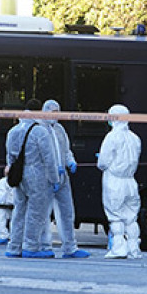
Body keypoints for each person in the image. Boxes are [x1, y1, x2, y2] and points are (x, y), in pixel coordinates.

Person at [4, 99, 60, 258]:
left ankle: (13, 246)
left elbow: (10, 158)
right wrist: (55, 179)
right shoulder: (40, 131)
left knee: (18, 211)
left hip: (19, 175)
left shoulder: (13, 131)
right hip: (36, 175)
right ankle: (31, 246)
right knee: (36, 213)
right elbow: (49, 158)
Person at [39, 100, 88, 258]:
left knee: (67, 212)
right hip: (45, 177)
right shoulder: (39, 129)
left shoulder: (59, 129)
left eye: (58, 112)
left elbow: (66, 150)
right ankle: (44, 246)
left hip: (62, 176)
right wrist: (50, 171)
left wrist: (70, 162)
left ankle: (70, 247)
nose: (56, 115)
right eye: (53, 112)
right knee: (43, 213)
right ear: (45, 111)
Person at [97, 104, 142, 259]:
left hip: (114, 181)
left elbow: (102, 162)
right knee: (131, 217)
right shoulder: (135, 138)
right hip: (131, 181)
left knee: (115, 216)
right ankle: (134, 248)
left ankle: (118, 248)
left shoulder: (112, 137)